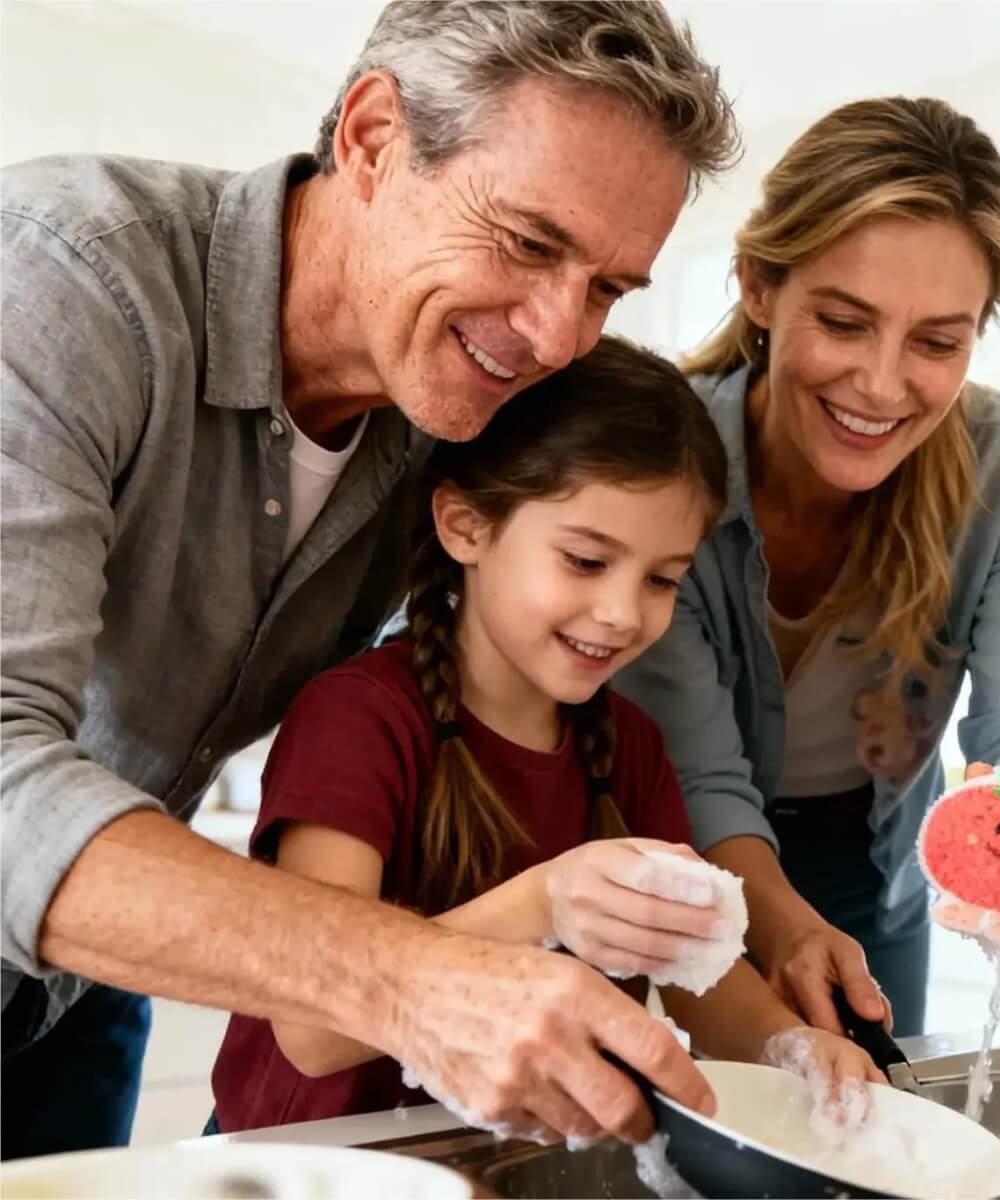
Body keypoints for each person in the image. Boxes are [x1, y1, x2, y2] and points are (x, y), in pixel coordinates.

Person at [1, 1, 737, 1158]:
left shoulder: (455, 416)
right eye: (532, 242)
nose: (556, 335)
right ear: (374, 137)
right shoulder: (58, 281)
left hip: (73, 994)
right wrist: (417, 979)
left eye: (606, 288)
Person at [209, 338, 876, 1133]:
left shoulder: (631, 748)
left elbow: (704, 976)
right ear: (465, 527)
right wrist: (547, 904)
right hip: (310, 1170)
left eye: (663, 579)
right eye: (587, 560)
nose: (624, 614)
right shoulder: (359, 719)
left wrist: (793, 1048)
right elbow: (313, 1029)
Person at [614, 97, 1000, 1039]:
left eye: (938, 342)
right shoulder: (663, 457)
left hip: (873, 866)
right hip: (677, 853)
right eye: (844, 321)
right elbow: (700, 772)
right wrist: (782, 934)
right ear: (758, 286)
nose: (882, 383)